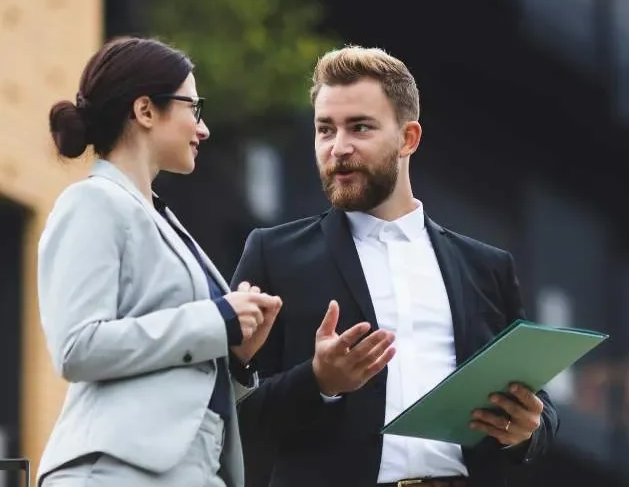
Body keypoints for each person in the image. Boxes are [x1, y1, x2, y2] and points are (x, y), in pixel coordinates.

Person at [232, 46, 558, 487]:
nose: (338, 147)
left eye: (360, 128)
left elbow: (537, 405)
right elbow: (230, 410)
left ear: (408, 139)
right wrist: (318, 381)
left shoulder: (486, 268)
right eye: (325, 130)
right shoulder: (275, 254)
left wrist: (528, 429)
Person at [36, 37, 284, 487]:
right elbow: (76, 347)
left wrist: (237, 354)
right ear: (146, 110)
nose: (203, 129)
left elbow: (181, 379)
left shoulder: (163, 221)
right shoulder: (92, 202)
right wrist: (216, 319)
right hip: (114, 474)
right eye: (195, 107)